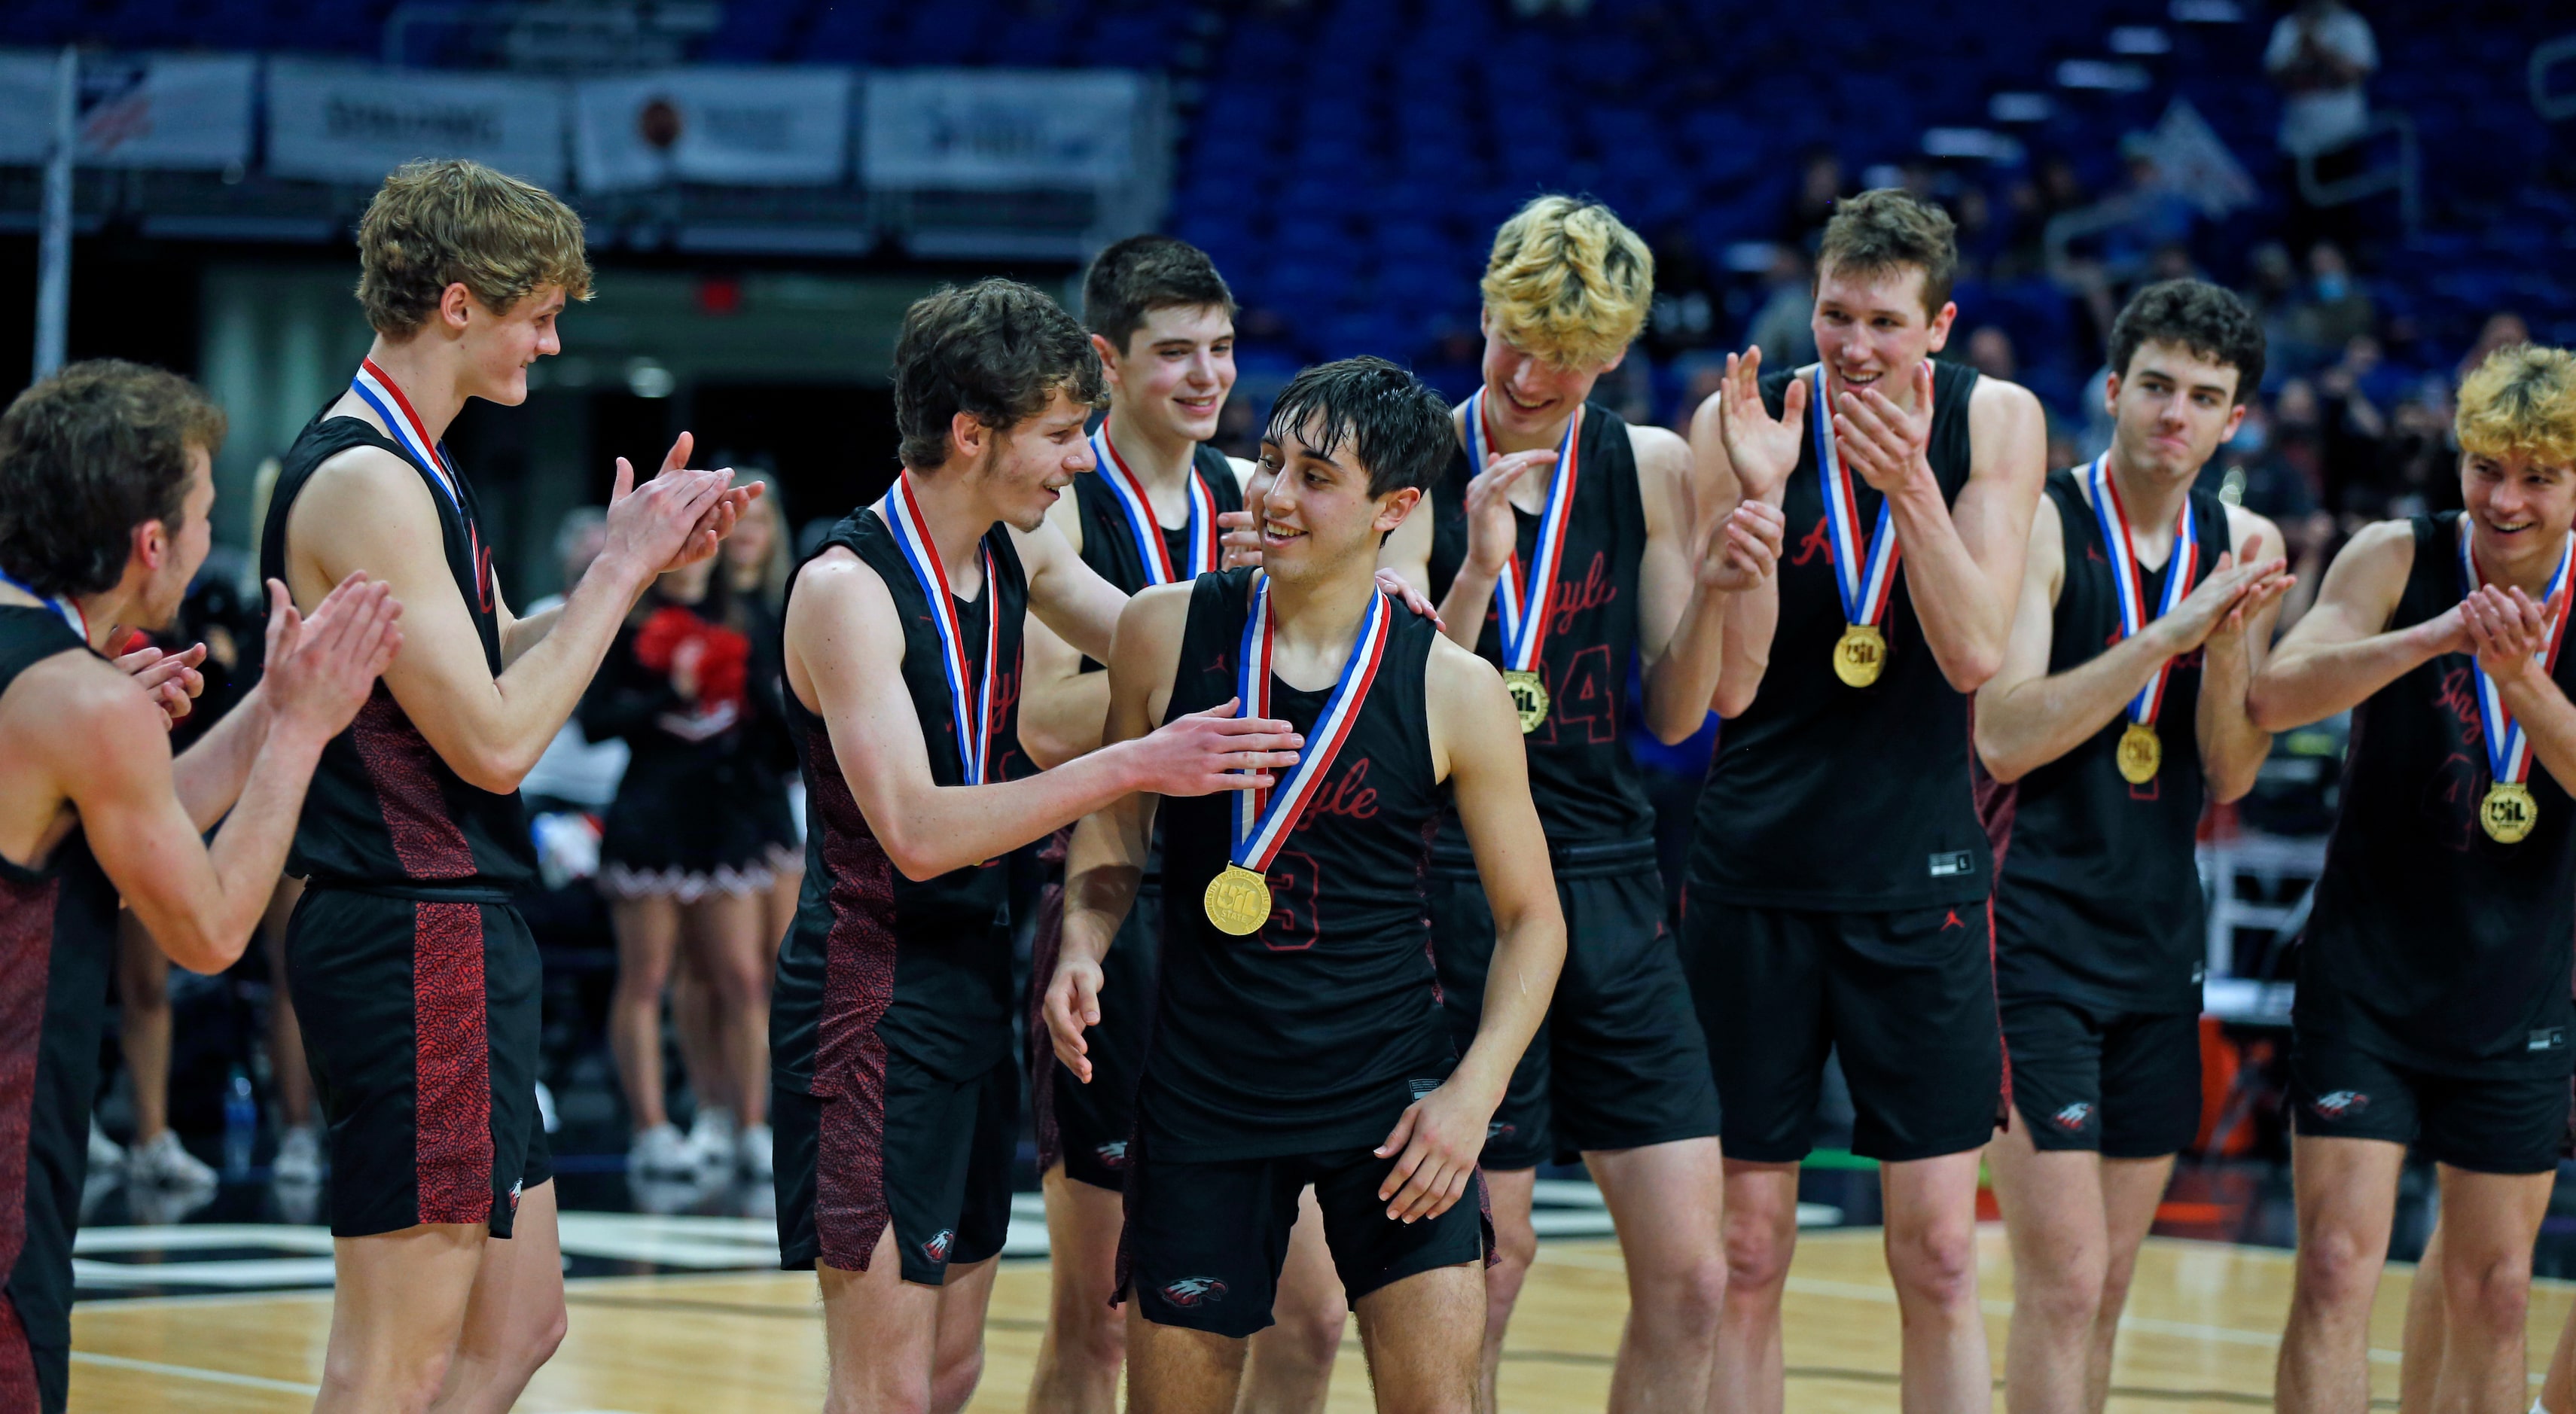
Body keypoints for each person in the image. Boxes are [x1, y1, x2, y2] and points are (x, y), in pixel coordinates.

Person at [263, 157, 754, 1412]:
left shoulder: (409, 458)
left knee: (521, 1323)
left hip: (451, 923)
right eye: (540, 311)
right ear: (463, 302)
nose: (550, 338)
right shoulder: (368, 477)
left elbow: (483, 660)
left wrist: (630, 576)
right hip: (406, 917)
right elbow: (491, 744)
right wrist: (613, 572)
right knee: (395, 1356)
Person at [770, 276, 1309, 1413]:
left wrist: (1294, 584)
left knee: (953, 1371)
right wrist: (1130, 763)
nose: (1080, 463)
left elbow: (1153, 636)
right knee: (885, 1390)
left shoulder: (1014, 554)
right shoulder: (845, 588)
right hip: (870, 1001)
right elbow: (915, 830)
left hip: (973, 977)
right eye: (1062, 436)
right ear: (971, 435)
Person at [1042, 355, 1568, 1412]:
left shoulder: (1455, 688)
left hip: (1392, 1097)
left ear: (1396, 508)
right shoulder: (1162, 627)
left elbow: (1532, 921)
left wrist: (1470, 1097)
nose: (1273, 494)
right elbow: (1112, 837)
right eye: (1271, 460)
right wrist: (1079, 946)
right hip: (1203, 1091)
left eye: (1314, 476)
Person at [1370, 194, 1783, 1410]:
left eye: (1571, 351)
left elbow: (1670, 713)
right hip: (1458, 883)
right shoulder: (1412, 467)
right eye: (1516, 337)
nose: (1536, 371)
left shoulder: (1650, 466)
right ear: (1483, 315)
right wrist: (1480, 570)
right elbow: (1400, 722)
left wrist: (1713, 589)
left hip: (1605, 876)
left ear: (1615, 353)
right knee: (1488, 1269)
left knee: (1695, 1275)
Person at [1682, 187, 2049, 1411]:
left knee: (1942, 1249)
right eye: (1835, 314)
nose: (1852, 346)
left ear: (1937, 326)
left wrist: (1909, 493)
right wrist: (1753, 513)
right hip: (1754, 874)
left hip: (1919, 879)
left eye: (1885, 323)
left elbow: (1972, 656)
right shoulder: (1734, 421)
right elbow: (1725, 688)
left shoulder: (1997, 423)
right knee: (1743, 1249)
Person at [0, 359, 402, 1412]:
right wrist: (305, 731)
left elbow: (123, 832)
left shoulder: (56, 685)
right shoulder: (77, 703)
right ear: (150, 542)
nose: (208, 537)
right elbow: (212, 925)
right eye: (204, 514)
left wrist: (272, 698)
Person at [1021, 235, 1358, 1413]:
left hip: (1266, 925)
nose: (1207, 376)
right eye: (1175, 354)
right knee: (1100, 1324)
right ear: (1108, 361)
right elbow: (1042, 722)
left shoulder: (1257, 497)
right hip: (1122, 910)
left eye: (1220, 349)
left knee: (1309, 1318)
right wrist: (1188, 642)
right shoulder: (1061, 507)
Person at [1969, 281, 2292, 1413]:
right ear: (2113, 389)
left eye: (2205, 396)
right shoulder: (2045, 522)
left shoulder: (2245, 540)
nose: (2175, 412)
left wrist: (2235, 638)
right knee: (2059, 1279)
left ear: (2233, 420)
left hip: (2156, 944)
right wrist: (2169, 633)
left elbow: (2233, 771)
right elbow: (2003, 735)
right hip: (2028, 937)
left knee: (2104, 1288)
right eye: (2156, 385)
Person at [2249, 343, 2576, 1412]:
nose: (2506, 499)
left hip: (2516, 993)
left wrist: (2519, 682)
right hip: (2366, 982)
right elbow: (2275, 695)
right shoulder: (2395, 555)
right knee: (2338, 1266)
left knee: (2495, 1289)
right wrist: (2432, 636)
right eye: (2487, 468)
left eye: (2538, 476)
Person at [582, 554, 794, 1183]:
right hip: (651, 822)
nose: (698, 559)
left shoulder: (745, 619)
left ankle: (750, 1125)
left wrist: (759, 690)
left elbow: (781, 741)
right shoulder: (623, 622)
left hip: (728, 824)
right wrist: (666, 693)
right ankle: (650, 1130)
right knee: (646, 978)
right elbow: (594, 722)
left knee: (743, 978)